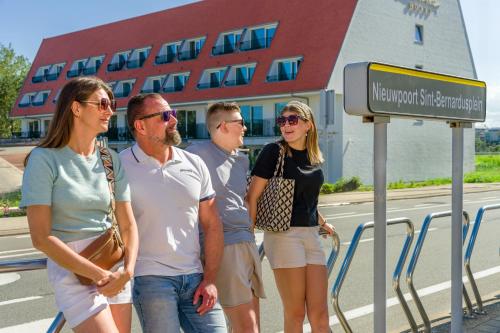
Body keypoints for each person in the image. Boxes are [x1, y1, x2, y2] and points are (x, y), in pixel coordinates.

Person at [20, 76, 139, 333]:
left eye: (112, 104)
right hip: (73, 269)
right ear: (76, 108)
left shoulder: (109, 159)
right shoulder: (44, 159)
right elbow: (40, 238)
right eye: (103, 104)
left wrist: (127, 271)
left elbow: (128, 224)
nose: (110, 111)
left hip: (114, 264)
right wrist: (99, 275)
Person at [119, 93, 227, 333]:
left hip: (196, 278)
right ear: (140, 125)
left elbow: (212, 224)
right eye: (165, 116)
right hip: (150, 279)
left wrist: (209, 279)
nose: (174, 120)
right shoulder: (120, 166)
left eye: (173, 114)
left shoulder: (194, 163)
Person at [246, 101, 335, 333]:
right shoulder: (274, 152)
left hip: (311, 236)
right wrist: (248, 241)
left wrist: (323, 223)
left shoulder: (313, 157)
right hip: (282, 236)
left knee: (321, 314)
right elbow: (252, 197)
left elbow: (307, 200)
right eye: (282, 120)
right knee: (295, 313)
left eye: (292, 120)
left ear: (308, 125)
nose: (286, 125)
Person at [186, 102, 266, 333]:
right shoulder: (195, 154)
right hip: (225, 245)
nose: (245, 128)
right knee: (246, 328)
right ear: (222, 126)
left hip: (246, 244)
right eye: (240, 122)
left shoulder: (241, 160)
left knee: (252, 327)